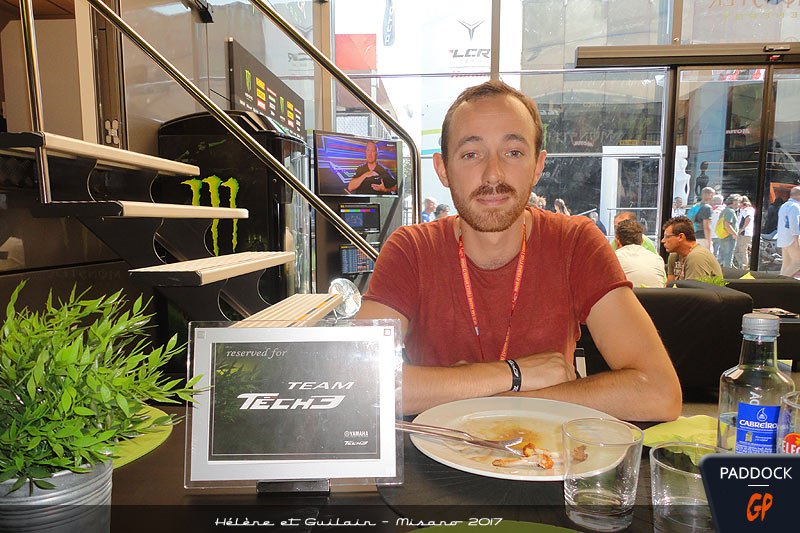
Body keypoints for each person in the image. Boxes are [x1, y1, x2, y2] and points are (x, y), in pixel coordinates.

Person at [356, 80, 681, 421]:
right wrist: (512, 374)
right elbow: (358, 382)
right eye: (471, 154)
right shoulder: (411, 250)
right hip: (432, 452)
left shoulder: (575, 242)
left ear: (538, 166)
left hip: (545, 452)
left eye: (513, 152)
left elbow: (659, 392)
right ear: (442, 169)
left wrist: (488, 396)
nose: (492, 174)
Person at [663, 216, 722, 282]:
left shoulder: (697, 257)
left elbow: (694, 288)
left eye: (667, 237)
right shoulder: (674, 255)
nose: (663, 241)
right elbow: (669, 285)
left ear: (681, 237)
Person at [614, 219, 666, 287]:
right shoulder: (658, 259)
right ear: (642, 241)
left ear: (617, 241)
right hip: (656, 294)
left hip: (625, 293)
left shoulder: (613, 259)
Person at [777, 186, 800, 278]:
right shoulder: (795, 206)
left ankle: (778, 282)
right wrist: (796, 240)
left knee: (786, 264)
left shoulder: (784, 206)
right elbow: (794, 223)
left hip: (783, 239)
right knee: (797, 263)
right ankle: (779, 281)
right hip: (792, 239)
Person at [686, 187, 714, 251]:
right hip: (702, 238)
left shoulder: (695, 206)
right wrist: (709, 243)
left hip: (693, 236)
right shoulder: (707, 208)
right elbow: (706, 227)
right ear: (710, 194)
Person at [715, 194, 739, 269]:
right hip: (729, 237)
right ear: (733, 202)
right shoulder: (730, 211)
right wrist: (734, 234)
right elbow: (727, 225)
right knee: (728, 257)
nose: (738, 204)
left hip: (723, 236)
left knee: (722, 256)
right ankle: (728, 274)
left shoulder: (725, 210)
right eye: (737, 202)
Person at [734, 195, 754, 269]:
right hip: (743, 233)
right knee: (737, 250)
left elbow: (748, 218)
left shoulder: (747, 210)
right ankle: (741, 265)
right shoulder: (743, 210)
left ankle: (744, 266)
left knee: (742, 250)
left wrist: (742, 228)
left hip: (744, 233)